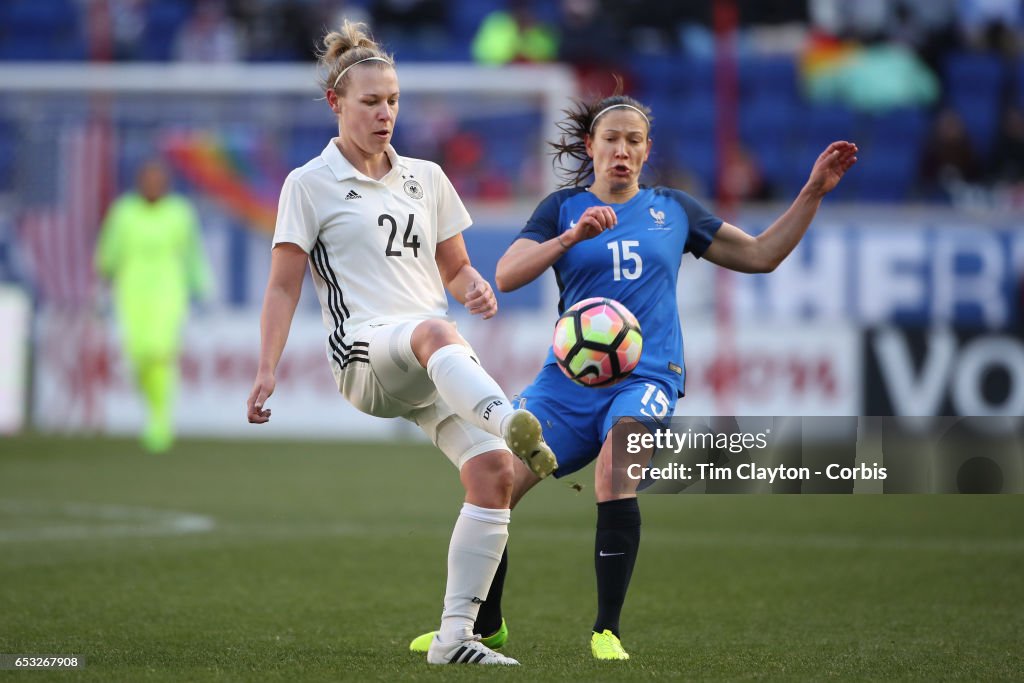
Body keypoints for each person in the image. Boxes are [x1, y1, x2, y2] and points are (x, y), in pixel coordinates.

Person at [411, 91, 857, 659]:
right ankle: (483, 625)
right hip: (565, 381)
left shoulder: (674, 210)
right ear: (590, 147)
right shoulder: (562, 209)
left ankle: (606, 631)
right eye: (611, 139)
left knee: (614, 473)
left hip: (647, 376)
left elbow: (762, 255)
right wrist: (571, 238)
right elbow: (507, 272)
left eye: (633, 140)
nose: (621, 150)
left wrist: (813, 192)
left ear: (647, 151)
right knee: (494, 476)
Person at [244, 20, 557, 667]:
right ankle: (509, 416)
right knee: (437, 333)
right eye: (370, 101)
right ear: (337, 102)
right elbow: (282, 288)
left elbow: (455, 266)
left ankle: (454, 638)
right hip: (364, 355)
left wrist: (473, 286)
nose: (385, 112)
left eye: (392, 100)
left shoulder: (428, 177)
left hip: (427, 359)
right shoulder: (308, 184)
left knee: (495, 473)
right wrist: (266, 368)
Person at [95, 160, 211, 453]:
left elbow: (192, 254)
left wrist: (201, 288)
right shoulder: (123, 212)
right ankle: (153, 412)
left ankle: (160, 422)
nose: (153, 185)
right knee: (138, 355)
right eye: (148, 180)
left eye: (158, 180)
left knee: (160, 352)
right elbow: (108, 253)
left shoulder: (179, 213)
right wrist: (102, 281)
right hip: (131, 293)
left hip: (168, 292)